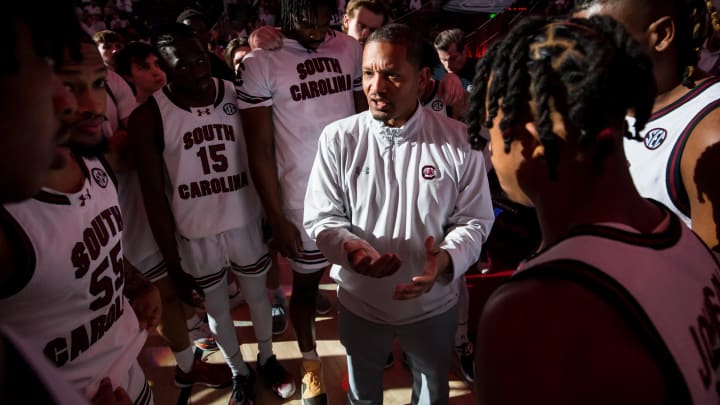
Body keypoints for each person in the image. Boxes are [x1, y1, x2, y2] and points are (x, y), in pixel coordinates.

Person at [467, 14, 720, 403]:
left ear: (531, 141)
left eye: (492, 128)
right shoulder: (675, 232)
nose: (488, 149)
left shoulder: (531, 310)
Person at [304, 23, 494, 404]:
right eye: (369, 73)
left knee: (431, 394)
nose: (376, 87)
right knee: (363, 392)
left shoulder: (459, 141)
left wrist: (445, 260)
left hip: (432, 305)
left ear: (423, 79)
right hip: (359, 301)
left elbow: (474, 220)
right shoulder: (339, 138)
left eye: (392, 74)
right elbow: (322, 217)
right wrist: (354, 252)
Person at [128, 22, 295, 404]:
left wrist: (275, 214)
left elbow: (266, 154)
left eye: (200, 59)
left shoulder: (237, 95)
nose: (196, 69)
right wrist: (172, 263)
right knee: (217, 308)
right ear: (165, 68)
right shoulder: (149, 117)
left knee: (258, 297)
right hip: (196, 231)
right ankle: (239, 371)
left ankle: (267, 359)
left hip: (244, 218)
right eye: (182, 65)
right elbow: (153, 196)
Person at [0, 30, 162, 405]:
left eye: (98, 84)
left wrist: (132, 282)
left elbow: (85, 246)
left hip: (123, 371)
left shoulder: (89, 158)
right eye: (67, 86)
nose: (92, 105)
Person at [236, 0, 367, 403]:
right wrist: (276, 216)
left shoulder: (347, 48)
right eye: (305, 19)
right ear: (288, 12)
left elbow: (365, 115)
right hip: (302, 196)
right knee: (306, 288)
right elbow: (257, 147)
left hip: (354, 189)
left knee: (361, 282)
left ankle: (363, 355)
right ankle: (310, 364)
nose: (314, 29)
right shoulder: (260, 62)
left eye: (322, 17)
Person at [114, 40, 231, 386]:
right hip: (133, 220)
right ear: (124, 78)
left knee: (180, 288)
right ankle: (185, 367)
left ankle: (191, 339)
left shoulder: (166, 108)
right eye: (144, 66)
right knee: (163, 293)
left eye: (157, 63)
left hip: (169, 214)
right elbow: (115, 156)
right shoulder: (134, 118)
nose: (156, 71)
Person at [573, 0, 720, 251]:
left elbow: (708, 282)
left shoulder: (709, 131)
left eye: (598, 42)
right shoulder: (602, 108)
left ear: (661, 35)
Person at [177, 8, 236, 81]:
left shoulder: (220, 66)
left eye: (201, 31)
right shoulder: (173, 70)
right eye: (190, 32)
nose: (197, 37)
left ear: (208, 35)